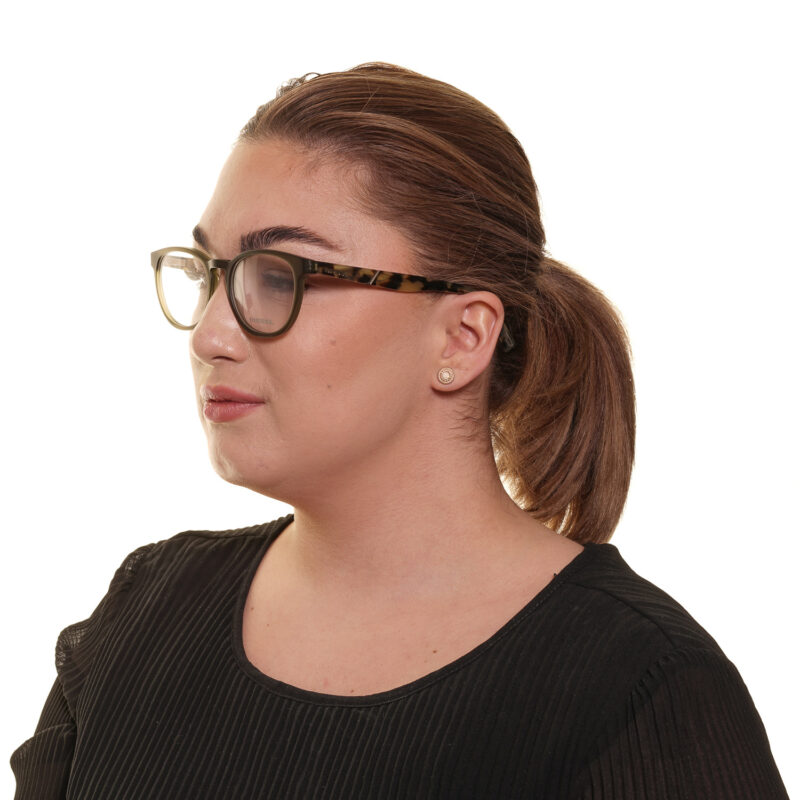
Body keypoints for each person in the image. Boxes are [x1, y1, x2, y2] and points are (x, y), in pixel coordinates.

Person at [11, 64, 788, 799]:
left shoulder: (641, 688)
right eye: (209, 273)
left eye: (280, 275)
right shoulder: (146, 611)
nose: (211, 334)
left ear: (462, 337)